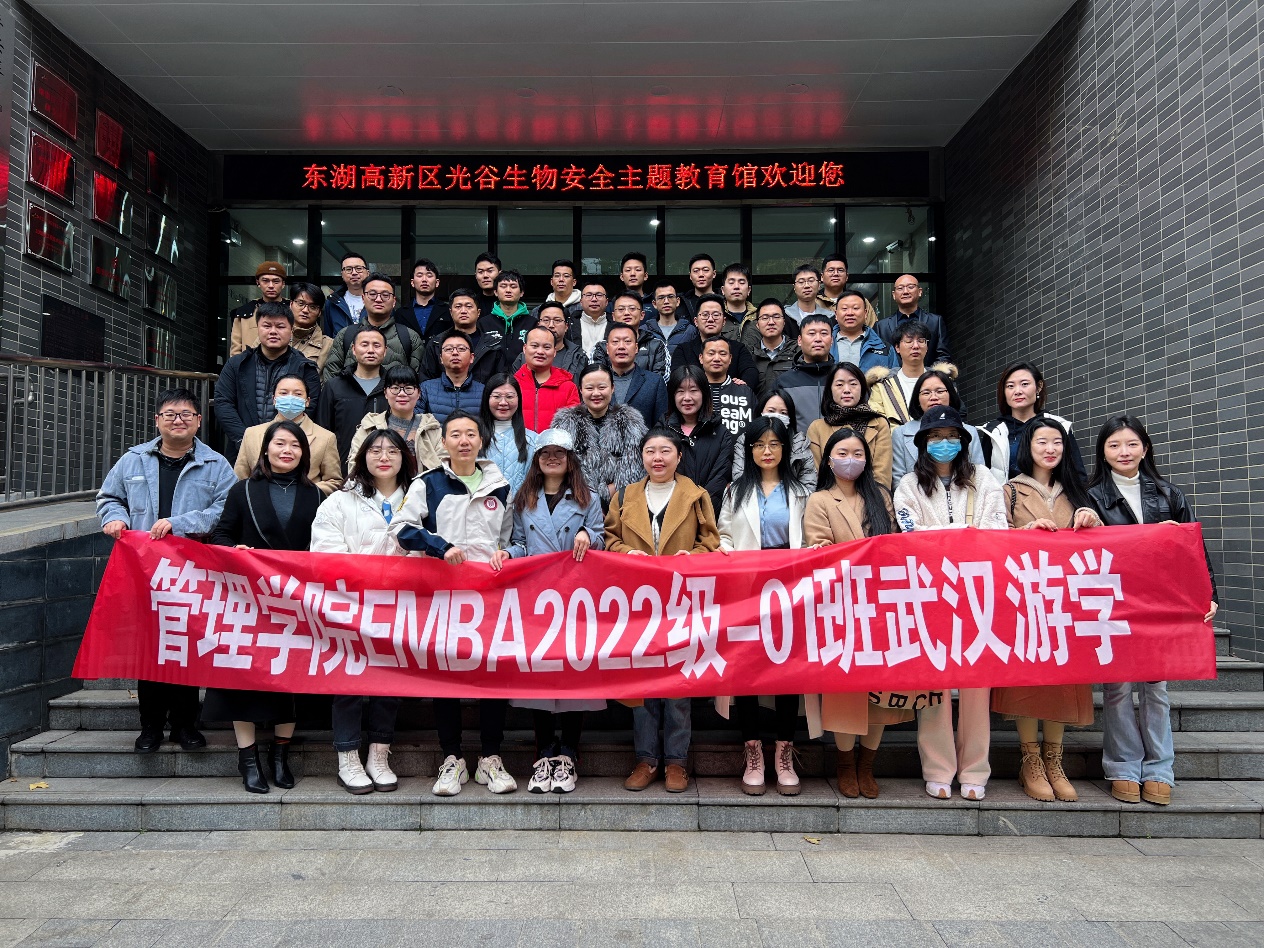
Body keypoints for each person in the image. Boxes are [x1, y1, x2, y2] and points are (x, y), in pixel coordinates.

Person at [1087, 415, 1219, 807]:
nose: (1123, 452)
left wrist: (1207, 593)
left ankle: (1160, 769)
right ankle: (1123, 767)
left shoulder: (1169, 494)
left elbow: (1194, 547)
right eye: (1114, 445)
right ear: (1103, 453)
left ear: (1145, 448)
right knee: (1117, 688)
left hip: (1161, 602)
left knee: (1156, 688)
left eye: (1131, 444)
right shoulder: (1091, 497)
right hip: (1115, 601)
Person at [96, 388, 236, 754]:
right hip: (144, 571)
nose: (178, 420)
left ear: (199, 421)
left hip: (190, 573)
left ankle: (186, 725)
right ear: (157, 420)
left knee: (185, 646)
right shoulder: (133, 460)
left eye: (186, 414)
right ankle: (151, 726)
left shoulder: (216, 465)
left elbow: (225, 509)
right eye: (170, 414)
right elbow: (109, 498)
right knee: (150, 648)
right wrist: (115, 518)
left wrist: (180, 523)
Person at [389, 411, 516, 797]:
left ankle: (491, 758)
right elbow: (401, 528)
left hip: (489, 597)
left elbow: (510, 538)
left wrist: (507, 553)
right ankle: (452, 758)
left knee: (493, 675)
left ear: (481, 441)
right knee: (445, 675)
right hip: (441, 596)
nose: (464, 441)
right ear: (443, 442)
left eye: (471, 434)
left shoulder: (501, 486)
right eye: (456, 434)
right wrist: (439, 546)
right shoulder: (427, 483)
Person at [893, 405, 1007, 801]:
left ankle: (975, 769)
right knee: (934, 684)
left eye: (952, 436)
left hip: (977, 591)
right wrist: (963, 532)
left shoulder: (984, 479)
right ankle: (938, 768)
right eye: (936, 437)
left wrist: (947, 533)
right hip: (930, 592)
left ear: (963, 441)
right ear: (923, 443)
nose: (945, 443)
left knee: (977, 682)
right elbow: (910, 532)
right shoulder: (909, 484)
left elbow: (997, 528)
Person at [207, 420, 321, 794]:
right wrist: (234, 550)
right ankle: (248, 759)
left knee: (291, 676)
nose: (287, 450)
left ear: (305, 453)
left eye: (295, 445)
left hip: (295, 601)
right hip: (249, 600)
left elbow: (324, 546)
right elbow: (221, 534)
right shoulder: (243, 490)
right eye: (280, 443)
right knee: (243, 678)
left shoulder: (316, 495)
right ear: (266, 449)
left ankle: (280, 756)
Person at [491, 428, 606, 794]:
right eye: (545, 453)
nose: (552, 458)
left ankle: (568, 753)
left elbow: (602, 538)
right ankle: (543, 753)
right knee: (538, 675)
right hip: (537, 598)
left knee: (574, 673)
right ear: (536, 460)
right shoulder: (524, 498)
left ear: (570, 460)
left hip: (576, 598)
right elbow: (520, 542)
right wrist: (508, 553)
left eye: (559, 453)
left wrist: (589, 535)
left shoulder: (589, 498)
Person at [994, 417, 1102, 803]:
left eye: (1057, 441)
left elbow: (1104, 546)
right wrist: (1024, 534)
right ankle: (1030, 760)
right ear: (1028, 446)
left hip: (1068, 601)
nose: (1050, 449)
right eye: (1041, 441)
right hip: (1026, 599)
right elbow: (993, 541)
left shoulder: (1079, 490)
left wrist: (1092, 520)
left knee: (1064, 680)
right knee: (1028, 680)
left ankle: (1055, 759)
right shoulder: (1010, 490)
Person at [606, 426, 721, 793]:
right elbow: (609, 539)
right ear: (641, 457)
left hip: (680, 603)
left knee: (677, 687)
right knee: (642, 685)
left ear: (679, 456)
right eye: (651, 451)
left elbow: (711, 542)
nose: (658, 458)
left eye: (665, 451)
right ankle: (646, 759)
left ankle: (676, 761)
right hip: (637, 604)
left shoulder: (695, 495)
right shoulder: (625, 495)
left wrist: (693, 557)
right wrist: (628, 553)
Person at [310, 429, 417, 794]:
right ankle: (348, 757)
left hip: (399, 605)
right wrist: (375, 568)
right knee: (349, 681)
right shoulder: (340, 502)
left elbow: (429, 550)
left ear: (404, 458)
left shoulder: (418, 499)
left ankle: (379, 754)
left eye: (392, 451)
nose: (384, 457)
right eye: (376, 451)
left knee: (389, 681)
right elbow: (325, 552)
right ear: (362, 457)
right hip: (350, 605)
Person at [803, 426, 907, 799]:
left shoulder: (881, 496)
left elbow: (895, 542)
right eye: (843, 453)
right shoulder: (819, 500)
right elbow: (819, 547)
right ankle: (845, 763)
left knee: (879, 690)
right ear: (829, 459)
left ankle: (867, 764)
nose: (851, 460)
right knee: (846, 689)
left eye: (858, 454)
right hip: (841, 604)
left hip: (881, 602)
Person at [715, 417, 811, 796]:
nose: (767, 451)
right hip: (748, 588)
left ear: (785, 448)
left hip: (791, 588)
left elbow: (809, 537)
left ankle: (784, 754)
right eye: (759, 445)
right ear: (749, 450)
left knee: (788, 670)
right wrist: (725, 549)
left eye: (774, 444)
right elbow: (723, 533)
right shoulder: (735, 491)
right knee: (747, 669)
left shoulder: (801, 492)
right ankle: (753, 752)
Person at [215, 301, 321, 461]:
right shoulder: (237, 364)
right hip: (241, 450)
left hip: (288, 453)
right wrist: (244, 440)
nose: (273, 331)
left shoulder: (305, 368)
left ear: (291, 330)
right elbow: (223, 403)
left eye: (280, 326)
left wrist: (280, 443)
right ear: (258, 328)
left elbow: (310, 407)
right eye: (267, 326)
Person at [551, 364, 647, 511]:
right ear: (581, 390)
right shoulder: (564, 423)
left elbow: (636, 466)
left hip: (621, 504)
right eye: (589, 388)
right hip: (575, 505)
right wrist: (589, 498)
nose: (596, 393)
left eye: (602, 387)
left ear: (612, 388)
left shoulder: (630, 421)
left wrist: (610, 492)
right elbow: (558, 466)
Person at [233, 374, 342, 494]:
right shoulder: (252, 434)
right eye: (284, 393)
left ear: (307, 401)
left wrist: (306, 492)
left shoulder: (326, 437)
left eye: (298, 394)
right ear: (274, 400)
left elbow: (334, 481)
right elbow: (239, 477)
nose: (290, 398)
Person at [980, 362, 1086, 480]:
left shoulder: (1058, 425)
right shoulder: (994, 431)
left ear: (1039, 387)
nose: (1017, 391)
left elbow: (1078, 475)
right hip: (1007, 492)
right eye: (1010, 386)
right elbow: (983, 477)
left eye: (1024, 384)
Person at [891, 368, 990, 484]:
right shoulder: (900, 433)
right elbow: (898, 481)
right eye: (926, 393)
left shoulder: (969, 431)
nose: (933, 397)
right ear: (917, 399)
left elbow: (979, 476)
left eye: (940, 391)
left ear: (951, 395)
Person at [660, 363, 735, 515]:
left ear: (704, 393)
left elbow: (719, 480)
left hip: (709, 517)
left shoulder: (721, 433)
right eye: (680, 391)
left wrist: (700, 513)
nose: (687, 398)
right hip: (670, 516)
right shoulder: (662, 432)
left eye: (694, 391)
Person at [322, 273, 423, 382]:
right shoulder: (345, 335)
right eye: (372, 294)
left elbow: (417, 382)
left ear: (394, 301)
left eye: (385, 295)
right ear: (363, 298)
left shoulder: (409, 337)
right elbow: (331, 379)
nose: (378, 299)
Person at [807, 362, 893, 488]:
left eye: (853, 384)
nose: (847, 390)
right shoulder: (817, 428)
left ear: (862, 389)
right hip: (829, 497)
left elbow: (882, 476)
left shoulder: (879, 424)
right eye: (839, 385)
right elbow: (818, 476)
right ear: (830, 390)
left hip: (872, 496)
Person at [346, 365, 445, 474]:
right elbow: (354, 467)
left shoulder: (432, 429)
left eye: (408, 388)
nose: (402, 394)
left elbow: (445, 469)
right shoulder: (369, 427)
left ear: (419, 393)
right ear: (385, 393)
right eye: (395, 388)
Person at [317, 324, 390, 467]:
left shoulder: (392, 388)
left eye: (376, 345)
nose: (370, 350)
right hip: (341, 468)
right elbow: (322, 431)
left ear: (385, 351)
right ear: (354, 349)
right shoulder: (335, 386)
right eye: (364, 344)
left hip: (383, 466)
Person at [732, 389, 818, 491]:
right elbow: (739, 477)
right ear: (760, 412)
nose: (777, 416)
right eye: (771, 411)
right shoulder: (744, 441)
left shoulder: (800, 444)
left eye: (783, 413)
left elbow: (809, 485)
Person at [672, 294, 761, 390]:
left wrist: (741, 388)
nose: (710, 319)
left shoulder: (738, 348)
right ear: (696, 321)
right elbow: (677, 378)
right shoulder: (683, 350)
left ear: (724, 321)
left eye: (716, 315)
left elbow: (751, 372)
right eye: (705, 315)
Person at [420, 289, 506, 385]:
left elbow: (501, 382)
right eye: (458, 306)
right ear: (451, 312)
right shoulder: (436, 344)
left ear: (478, 312)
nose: (463, 311)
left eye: (469, 306)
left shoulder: (493, 345)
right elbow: (426, 381)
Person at [776, 314, 836, 435]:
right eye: (811, 333)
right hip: (798, 445)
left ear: (832, 340)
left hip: (839, 445)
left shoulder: (844, 378)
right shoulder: (785, 382)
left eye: (824, 333)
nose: (818, 339)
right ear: (799, 340)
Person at [866, 321, 934, 428]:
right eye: (909, 341)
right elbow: (877, 422)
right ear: (897, 347)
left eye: (921, 341)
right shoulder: (883, 385)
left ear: (927, 346)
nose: (916, 346)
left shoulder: (941, 381)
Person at [479, 373, 538, 495]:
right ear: (487, 399)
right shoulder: (473, 438)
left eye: (509, 396)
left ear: (518, 399)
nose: (503, 402)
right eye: (497, 396)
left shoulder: (533, 440)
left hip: (520, 506)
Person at [512, 326, 580, 431]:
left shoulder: (568, 387)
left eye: (547, 347)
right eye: (534, 346)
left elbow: (574, 427)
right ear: (525, 349)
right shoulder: (513, 384)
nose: (540, 351)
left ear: (554, 352)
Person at [874, 274, 953, 365]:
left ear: (920, 292)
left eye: (910, 287)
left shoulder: (935, 321)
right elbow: (878, 358)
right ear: (894, 295)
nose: (905, 291)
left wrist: (929, 372)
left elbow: (944, 356)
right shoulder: (881, 326)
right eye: (900, 288)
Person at [604, 323, 668, 428]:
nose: (621, 347)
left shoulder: (654, 382)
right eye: (615, 342)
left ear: (636, 348)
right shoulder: (598, 381)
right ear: (607, 348)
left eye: (627, 341)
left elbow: (661, 425)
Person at [592, 292, 668, 379]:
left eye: (632, 308)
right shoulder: (601, 347)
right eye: (621, 309)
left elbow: (659, 381)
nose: (626, 313)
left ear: (642, 315)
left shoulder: (657, 345)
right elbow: (597, 379)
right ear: (613, 316)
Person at [418, 329, 486, 421]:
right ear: (441, 358)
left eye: (461, 349)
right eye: (449, 349)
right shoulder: (425, 389)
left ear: (471, 357)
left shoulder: (484, 392)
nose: (455, 353)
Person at [228, 260, 287, 357]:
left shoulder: (294, 309)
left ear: (283, 284)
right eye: (265, 281)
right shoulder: (245, 312)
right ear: (258, 282)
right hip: (251, 365)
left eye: (276, 281)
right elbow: (235, 350)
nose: (271, 286)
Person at [514, 301, 587, 378]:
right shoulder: (524, 356)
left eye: (557, 320)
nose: (551, 325)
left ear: (566, 326)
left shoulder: (578, 356)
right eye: (546, 320)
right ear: (538, 324)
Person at [830, 291, 898, 373]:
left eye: (855, 308)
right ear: (836, 314)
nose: (850, 313)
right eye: (844, 309)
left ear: (865, 313)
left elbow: (894, 377)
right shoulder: (824, 345)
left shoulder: (884, 348)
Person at [700, 337, 753, 437]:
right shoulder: (693, 392)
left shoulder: (744, 391)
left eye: (723, 354)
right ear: (701, 358)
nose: (716, 359)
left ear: (730, 358)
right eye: (711, 353)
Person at [750, 299, 801, 399]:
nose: (771, 322)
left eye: (776, 317)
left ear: (784, 322)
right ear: (757, 325)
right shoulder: (750, 354)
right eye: (765, 318)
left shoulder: (799, 351)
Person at [394, 257, 452, 340]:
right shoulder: (400, 313)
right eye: (419, 275)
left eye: (429, 275)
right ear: (412, 282)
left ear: (437, 283)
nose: (424, 279)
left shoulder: (448, 311)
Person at [481, 268, 533, 360]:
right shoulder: (483, 323)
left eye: (513, 286)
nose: (508, 290)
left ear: (521, 292)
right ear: (495, 292)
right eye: (503, 286)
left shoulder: (532, 323)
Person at [644, 280, 698, 356]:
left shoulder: (690, 331)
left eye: (670, 296)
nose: (666, 301)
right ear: (654, 304)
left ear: (678, 301)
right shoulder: (645, 331)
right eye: (661, 297)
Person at [289, 282, 334, 371]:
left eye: (313, 307)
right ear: (291, 304)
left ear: (319, 312)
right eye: (301, 304)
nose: (305, 310)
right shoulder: (273, 335)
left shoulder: (329, 345)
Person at [322, 252, 369, 336]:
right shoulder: (332, 302)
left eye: (359, 268)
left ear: (367, 273)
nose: (354, 273)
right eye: (348, 269)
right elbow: (328, 336)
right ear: (342, 275)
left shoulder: (378, 300)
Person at [719, 262, 759, 347]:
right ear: (723, 290)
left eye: (741, 282)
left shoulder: (759, 316)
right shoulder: (716, 316)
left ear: (749, 290)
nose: (736, 286)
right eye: (731, 282)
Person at [613, 251, 656, 320]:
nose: (632, 274)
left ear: (645, 276)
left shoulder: (654, 304)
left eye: (638, 270)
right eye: (628, 270)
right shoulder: (612, 305)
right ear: (622, 276)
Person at [572, 281, 609, 359]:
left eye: (599, 295)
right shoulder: (570, 325)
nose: (594, 299)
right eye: (589, 295)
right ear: (581, 302)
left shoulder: (615, 324)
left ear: (606, 302)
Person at [680, 252, 717, 317]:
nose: (701, 275)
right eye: (696, 271)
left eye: (705, 270)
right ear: (690, 276)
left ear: (714, 274)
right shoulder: (681, 303)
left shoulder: (725, 301)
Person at [473, 251, 500, 318]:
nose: (485, 275)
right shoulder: (472, 303)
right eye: (480, 272)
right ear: (476, 276)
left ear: (500, 274)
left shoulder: (508, 302)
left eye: (490, 271)